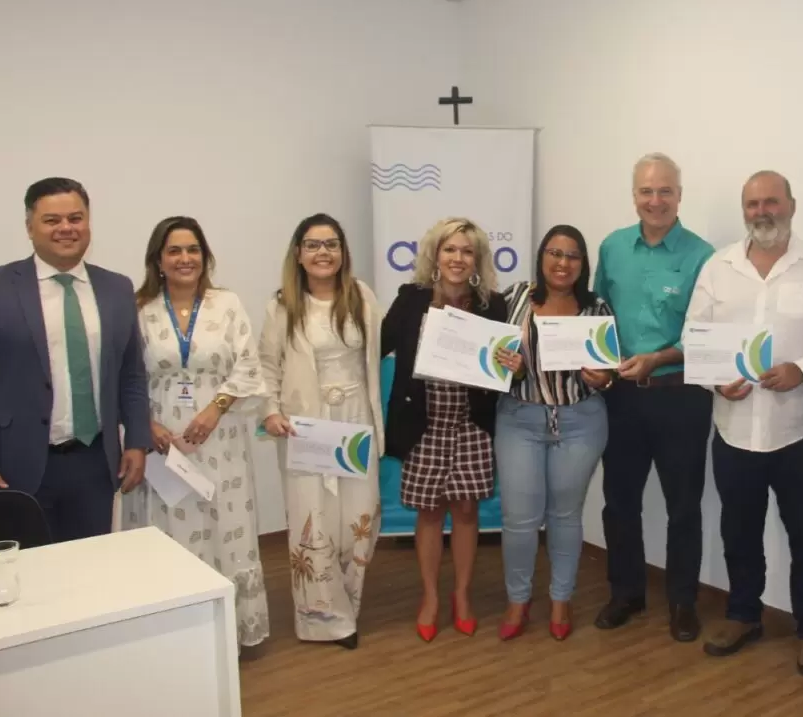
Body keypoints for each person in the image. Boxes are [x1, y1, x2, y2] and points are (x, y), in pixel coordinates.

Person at [685, 171, 803, 675]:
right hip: (734, 429)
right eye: (753, 204)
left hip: (799, 432)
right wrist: (716, 382)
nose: (762, 211)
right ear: (743, 210)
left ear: (791, 204)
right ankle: (743, 614)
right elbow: (695, 337)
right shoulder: (718, 267)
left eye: (771, 201)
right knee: (739, 532)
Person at [123, 216, 269, 648]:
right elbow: (125, 375)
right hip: (162, 443)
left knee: (226, 526)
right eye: (174, 251)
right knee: (169, 528)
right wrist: (145, 425)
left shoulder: (227, 304)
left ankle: (227, 634)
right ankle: (174, 638)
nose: (185, 258)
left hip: (220, 438)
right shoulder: (138, 309)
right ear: (158, 260)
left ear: (205, 257)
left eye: (193, 250)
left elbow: (249, 365)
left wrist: (214, 409)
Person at [592, 152, 716, 642]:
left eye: (665, 191)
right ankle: (626, 593)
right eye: (647, 191)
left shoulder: (703, 256)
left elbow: (706, 335)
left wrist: (659, 358)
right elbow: (597, 315)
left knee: (683, 505)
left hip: (680, 395)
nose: (656, 200)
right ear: (634, 196)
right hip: (621, 397)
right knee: (619, 501)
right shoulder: (612, 247)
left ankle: (683, 601)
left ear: (679, 196)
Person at [0, 177, 149, 542]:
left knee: (89, 566)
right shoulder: (2, 286)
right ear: (29, 227)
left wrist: (136, 440)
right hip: (16, 463)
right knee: (25, 569)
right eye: (52, 220)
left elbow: (131, 374)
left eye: (75, 218)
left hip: (95, 462)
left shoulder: (117, 288)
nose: (66, 228)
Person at [382, 217, 510, 642]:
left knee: (467, 511)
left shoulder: (493, 305)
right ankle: (431, 598)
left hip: (471, 425)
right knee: (430, 512)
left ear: (477, 259)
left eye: (467, 251)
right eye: (450, 249)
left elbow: (504, 366)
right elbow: (376, 345)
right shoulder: (411, 299)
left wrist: (511, 364)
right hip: (424, 424)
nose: (458, 258)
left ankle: (462, 596)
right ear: (435, 254)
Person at [260, 214, 383, 650]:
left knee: (357, 519)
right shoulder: (282, 305)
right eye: (313, 245)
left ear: (343, 252)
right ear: (298, 253)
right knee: (313, 519)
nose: (323, 253)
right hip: (307, 426)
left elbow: (381, 351)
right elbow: (267, 365)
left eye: (331, 244)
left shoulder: (362, 297)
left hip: (354, 422)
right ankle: (323, 618)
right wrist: (270, 411)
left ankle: (348, 603)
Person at [496, 225, 615, 642]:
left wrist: (603, 378)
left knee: (565, 515)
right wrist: (509, 367)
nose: (562, 263)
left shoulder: (596, 308)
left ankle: (561, 598)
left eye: (572, 256)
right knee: (519, 519)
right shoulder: (514, 297)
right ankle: (518, 600)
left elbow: (608, 373)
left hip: (580, 422)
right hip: (519, 420)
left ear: (583, 264)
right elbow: (489, 357)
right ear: (541, 257)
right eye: (554, 253)